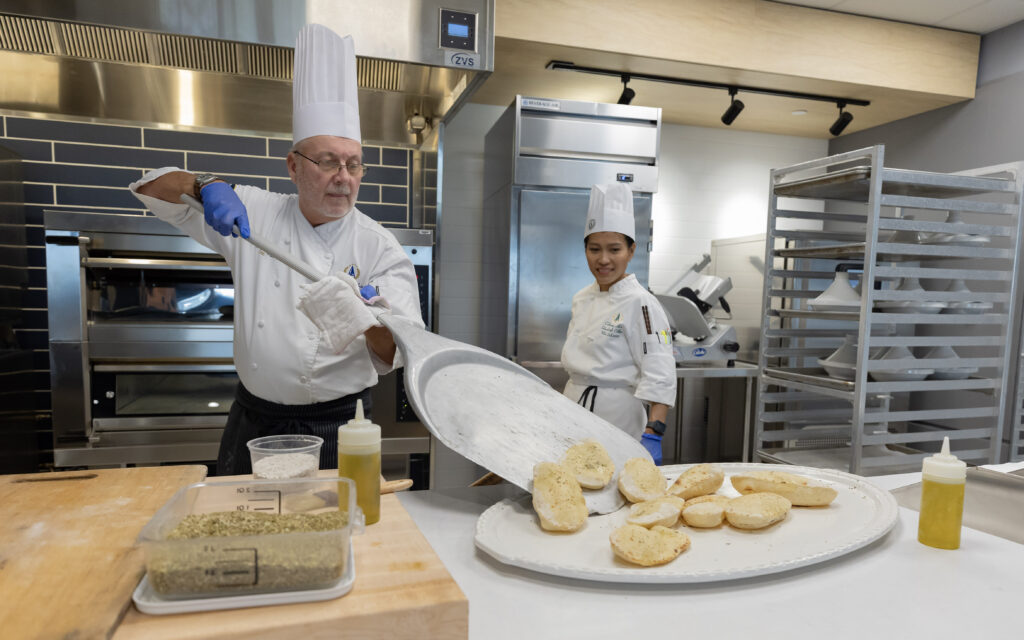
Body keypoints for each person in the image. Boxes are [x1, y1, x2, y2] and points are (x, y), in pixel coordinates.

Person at [129, 24, 423, 475]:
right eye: (327, 161)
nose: (343, 177)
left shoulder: (379, 247)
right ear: (293, 166)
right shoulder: (255, 212)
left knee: (331, 538)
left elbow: (397, 353)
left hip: (340, 424)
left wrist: (363, 318)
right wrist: (207, 185)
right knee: (240, 533)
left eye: (353, 164)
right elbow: (150, 186)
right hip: (255, 420)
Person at [560, 183, 677, 465]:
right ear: (585, 249)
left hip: (619, 422)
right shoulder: (581, 298)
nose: (603, 260)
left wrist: (653, 433)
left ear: (631, 250)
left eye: (614, 249)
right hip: (572, 413)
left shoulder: (642, 303)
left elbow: (660, 374)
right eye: (594, 249)